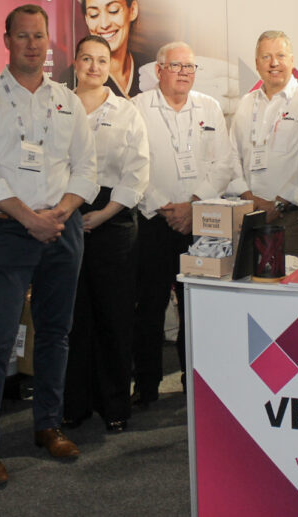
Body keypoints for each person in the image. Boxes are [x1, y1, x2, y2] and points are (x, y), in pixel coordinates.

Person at [0, 4, 98, 486]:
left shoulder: (68, 100)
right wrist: (30, 220)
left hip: (62, 229)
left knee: (56, 333)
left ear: (49, 42)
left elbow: (87, 170)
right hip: (6, 230)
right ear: (7, 41)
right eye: (22, 36)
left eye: (39, 36)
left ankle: (48, 424)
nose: (33, 45)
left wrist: (59, 214)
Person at [131, 41, 233, 406]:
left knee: (197, 310)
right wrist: (166, 208)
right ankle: (146, 384)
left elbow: (224, 164)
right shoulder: (137, 109)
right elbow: (134, 167)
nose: (185, 73)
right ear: (159, 70)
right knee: (150, 307)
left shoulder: (210, 107)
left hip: (200, 222)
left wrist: (191, 207)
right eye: (177, 66)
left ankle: (198, 385)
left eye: (190, 67)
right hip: (155, 223)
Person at [62, 35, 150, 433]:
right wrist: (65, 212)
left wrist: (103, 214)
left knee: (114, 318)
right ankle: (73, 405)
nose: (95, 67)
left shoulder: (126, 111)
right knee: (72, 318)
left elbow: (137, 173)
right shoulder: (57, 106)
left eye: (102, 60)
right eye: (87, 59)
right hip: (65, 220)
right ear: (75, 63)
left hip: (113, 223)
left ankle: (115, 405)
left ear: (110, 65)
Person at [229, 30, 298, 255]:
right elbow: (231, 154)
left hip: (295, 219)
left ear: (292, 60)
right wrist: (249, 198)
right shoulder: (245, 103)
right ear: (257, 64)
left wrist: (278, 205)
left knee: (295, 286)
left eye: (280, 55)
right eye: (265, 57)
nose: (273, 63)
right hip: (249, 215)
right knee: (251, 284)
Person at [62, 0, 153, 98]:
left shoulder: (149, 67)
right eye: (94, 15)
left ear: (132, 10)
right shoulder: (72, 76)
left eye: (113, 10)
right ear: (86, 19)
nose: (104, 24)